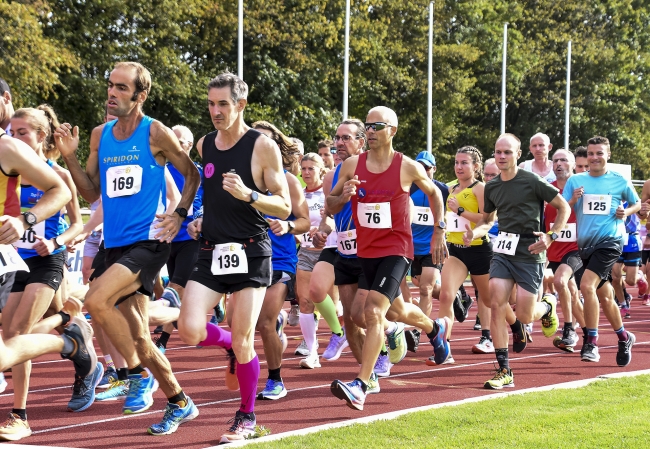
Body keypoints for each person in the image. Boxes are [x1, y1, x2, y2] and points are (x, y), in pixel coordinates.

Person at [55, 61, 200, 435]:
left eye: (121, 87)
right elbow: (92, 192)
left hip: (148, 242)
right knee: (138, 336)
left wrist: (180, 214)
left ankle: (133, 374)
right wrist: (70, 156)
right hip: (113, 244)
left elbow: (192, 173)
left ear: (140, 95)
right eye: (110, 85)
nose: (112, 93)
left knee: (95, 300)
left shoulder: (156, 133)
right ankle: (180, 401)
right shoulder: (99, 135)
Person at [178, 72, 291, 442]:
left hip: (251, 250)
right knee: (190, 329)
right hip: (212, 250)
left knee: (246, 339)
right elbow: (201, 185)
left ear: (240, 104)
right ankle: (227, 345)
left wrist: (249, 195)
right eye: (210, 104)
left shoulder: (262, 147)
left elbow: (285, 206)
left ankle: (246, 416)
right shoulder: (204, 144)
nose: (215, 111)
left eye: (222, 104)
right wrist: (194, 218)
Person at [329, 107, 450, 410]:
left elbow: (435, 194)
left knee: (373, 314)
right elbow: (330, 205)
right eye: (368, 125)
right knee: (394, 312)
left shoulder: (407, 167)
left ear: (392, 130)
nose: (370, 131)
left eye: (377, 126)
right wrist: (343, 196)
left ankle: (361, 385)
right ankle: (436, 330)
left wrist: (439, 230)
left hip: (396, 251)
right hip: (366, 252)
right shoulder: (352, 165)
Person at [0, 111, 96, 442]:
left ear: (42, 137)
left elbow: (76, 223)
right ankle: (72, 339)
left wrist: (55, 241)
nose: (16, 137)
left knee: (17, 334)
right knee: (18, 331)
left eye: (23, 132)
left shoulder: (55, 175)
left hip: (47, 261)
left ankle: (20, 415)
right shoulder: (12, 174)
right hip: (14, 261)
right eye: (12, 131)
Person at [465, 133, 570, 390]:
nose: (502, 157)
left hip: (530, 250)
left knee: (524, 315)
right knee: (495, 302)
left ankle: (547, 306)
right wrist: (475, 233)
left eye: (507, 152)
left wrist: (551, 236)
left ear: (518, 154)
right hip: (503, 249)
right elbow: (488, 220)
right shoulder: (492, 186)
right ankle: (504, 369)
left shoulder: (532, 181)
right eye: (498, 152)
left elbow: (564, 207)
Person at [562, 136, 639, 366]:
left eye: (599, 153)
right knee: (605, 297)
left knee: (586, 286)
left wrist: (625, 213)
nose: (595, 157)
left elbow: (635, 203)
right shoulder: (575, 181)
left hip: (610, 242)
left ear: (608, 155)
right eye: (591, 153)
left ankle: (591, 343)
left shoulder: (619, 180)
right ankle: (624, 337)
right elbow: (562, 209)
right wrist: (573, 200)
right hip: (585, 246)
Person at [251, 120, 310, 400]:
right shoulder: (242, 178)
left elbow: (305, 221)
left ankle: (276, 381)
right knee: (242, 322)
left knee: (264, 321)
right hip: (246, 258)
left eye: (265, 140)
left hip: (279, 259)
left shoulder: (287, 180)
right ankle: (275, 325)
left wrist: (287, 226)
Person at [439, 147, 496, 357]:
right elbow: (445, 217)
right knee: (446, 295)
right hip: (456, 250)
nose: (459, 167)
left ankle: (492, 335)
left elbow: (486, 220)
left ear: (475, 166)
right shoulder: (449, 188)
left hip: (479, 250)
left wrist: (460, 211)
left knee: (488, 298)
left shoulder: (480, 189)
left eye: (464, 163)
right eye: (456, 162)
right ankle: (444, 347)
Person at [404, 151, 448, 355]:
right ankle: (456, 296)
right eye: (419, 167)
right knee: (415, 284)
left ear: (434, 169)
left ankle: (417, 331)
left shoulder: (442, 190)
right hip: (411, 247)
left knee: (425, 289)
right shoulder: (408, 188)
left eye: (427, 168)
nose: (423, 171)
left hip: (432, 246)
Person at [543, 149, 586, 352]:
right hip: (554, 248)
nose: (559, 164)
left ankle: (568, 329)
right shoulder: (547, 190)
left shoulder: (582, 188)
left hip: (576, 248)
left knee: (560, 281)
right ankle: (589, 333)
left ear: (573, 164)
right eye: (555, 160)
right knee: (571, 293)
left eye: (563, 160)